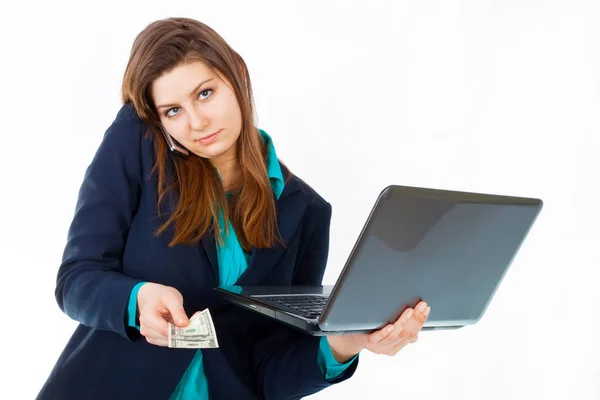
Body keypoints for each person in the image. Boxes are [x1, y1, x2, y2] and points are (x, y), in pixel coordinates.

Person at [37, 17, 430, 400]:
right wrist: (134, 300)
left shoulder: (306, 212)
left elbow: (269, 371)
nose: (197, 122)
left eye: (205, 93)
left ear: (238, 74)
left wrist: (346, 342)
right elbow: (76, 279)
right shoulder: (138, 145)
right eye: (172, 110)